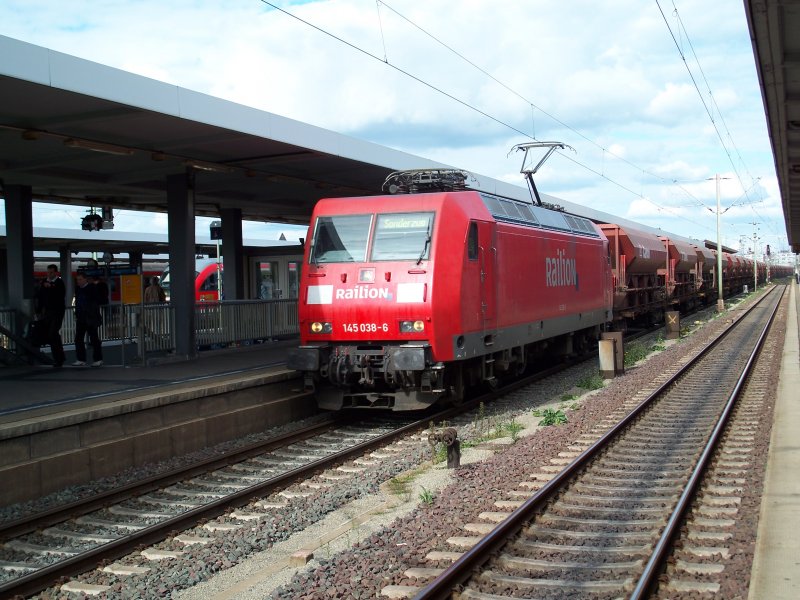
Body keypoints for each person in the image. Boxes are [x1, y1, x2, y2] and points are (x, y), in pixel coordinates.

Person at [35, 264, 67, 367]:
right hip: (47, 312)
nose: (49, 274)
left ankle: (59, 358)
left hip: (57, 312)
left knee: (53, 333)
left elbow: (61, 294)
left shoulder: (59, 283)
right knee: (51, 334)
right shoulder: (45, 282)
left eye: (51, 272)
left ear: (56, 273)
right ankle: (58, 358)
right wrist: (39, 310)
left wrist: (51, 287)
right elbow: (41, 297)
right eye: (48, 272)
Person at [73, 272, 103, 367]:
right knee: (78, 338)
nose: (78, 281)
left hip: (90, 317)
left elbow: (96, 300)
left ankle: (98, 359)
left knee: (94, 338)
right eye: (77, 279)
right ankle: (81, 359)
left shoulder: (91, 288)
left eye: (80, 279)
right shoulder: (78, 289)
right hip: (81, 317)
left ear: (86, 279)